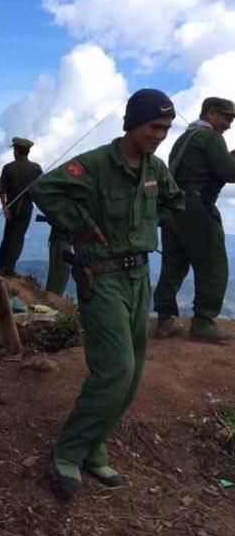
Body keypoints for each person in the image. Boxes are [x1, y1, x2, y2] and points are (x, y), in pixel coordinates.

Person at [30, 89, 184, 496]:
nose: (160, 135)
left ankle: (94, 450)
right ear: (133, 122)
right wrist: (79, 224)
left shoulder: (156, 168)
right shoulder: (96, 163)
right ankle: (68, 454)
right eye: (154, 126)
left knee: (131, 375)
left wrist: (145, 228)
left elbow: (174, 201)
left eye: (166, 128)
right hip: (102, 278)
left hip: (139, 278)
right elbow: (44, 189)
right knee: (116, 368)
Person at [153, 97, 235, 343]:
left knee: (174, 263)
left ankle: (165, 320)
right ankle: (203, 323)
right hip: (197, 207)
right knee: (213, 263)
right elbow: (229, 173)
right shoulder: (210, 137)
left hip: (174, 207)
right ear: (210, 113)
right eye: (226, 118)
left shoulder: (184, 138)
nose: (229, 125)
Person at [0, 138, 42, 275]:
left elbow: (2, 190)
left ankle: (1, 266)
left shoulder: (8, 167)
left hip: (11, 206)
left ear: (16, 151)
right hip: (27, 208)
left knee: (8, 236)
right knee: (18, 237)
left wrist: (4, 207)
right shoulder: (36, 168)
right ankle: (10, 268)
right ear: (27, 152)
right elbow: (41, 189)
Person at [36, 214, 72, 296]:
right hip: (60, 238)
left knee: (62, 269)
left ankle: (53, 295)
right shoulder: (63, 205)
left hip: (63, 238)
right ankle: (52, 295)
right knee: (61, 268)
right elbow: (57, 219)